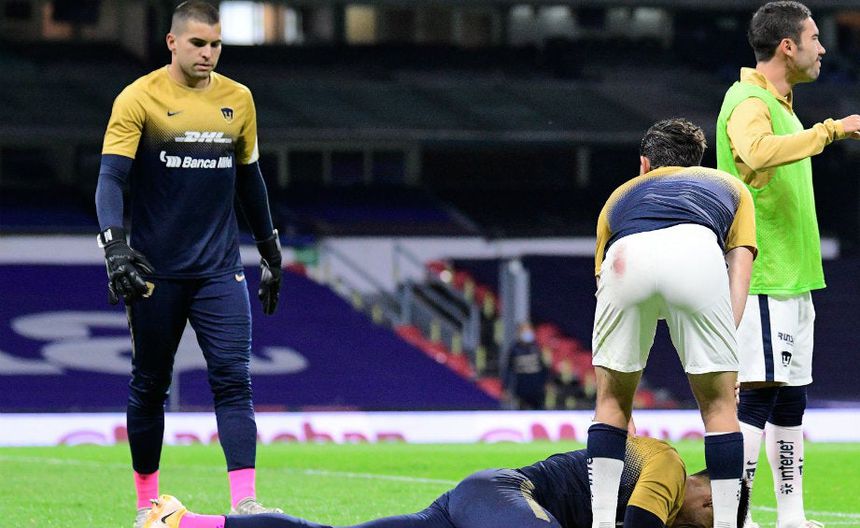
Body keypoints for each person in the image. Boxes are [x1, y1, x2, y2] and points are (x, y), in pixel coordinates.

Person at [94, 2, 284, 525]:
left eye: (216, 44)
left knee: (234, 379)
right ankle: (146, 506)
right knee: (149, 384)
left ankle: (245, 502)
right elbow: (111, 179)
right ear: (172, 42)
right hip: (155, 273)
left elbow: (250, 181)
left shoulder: (238, 99)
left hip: (220, 270)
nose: (209, 53)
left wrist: (269, 250)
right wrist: (114, 246)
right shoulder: (139, 98)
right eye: (198, 43)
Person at [715, 2, 860, 527]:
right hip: (764, 277)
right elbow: (755, 152)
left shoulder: (781, 105)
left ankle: (791, 517)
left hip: (793, 279)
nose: (822, 48)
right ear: (787, 46)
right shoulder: (747, 100)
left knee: (790, 400)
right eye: (815, 38)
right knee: (757, 398)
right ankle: (736, 517)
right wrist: (831, 130)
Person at [589, 118, 757, 528]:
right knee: (718, 407)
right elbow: (740, 268)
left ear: (644, 164)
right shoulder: (730, 187)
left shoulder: (618, 197)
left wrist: (615, 398)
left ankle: (601, 522)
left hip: (627, 256)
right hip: (696, 252)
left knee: (610, 404)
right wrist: (726, 348)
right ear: (697, 162)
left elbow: (603, 283)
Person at [141, 435, 750, 528]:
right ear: (706, 487)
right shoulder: (669, 467)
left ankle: (186, 520)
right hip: (506, 496)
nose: (712, 522)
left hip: (476, 505)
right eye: (719, 513)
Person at [503, 322, 550, 409]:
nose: (528, 333)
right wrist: (506, 388)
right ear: (519, 333)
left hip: (537, 390)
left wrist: (547, 381)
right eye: (525, 331)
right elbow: (508, 370)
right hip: (521, 390)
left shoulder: (538, 347)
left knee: (539, 412)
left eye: (529, 330)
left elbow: (545, 367)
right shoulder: (514, 349)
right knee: (522, 413)